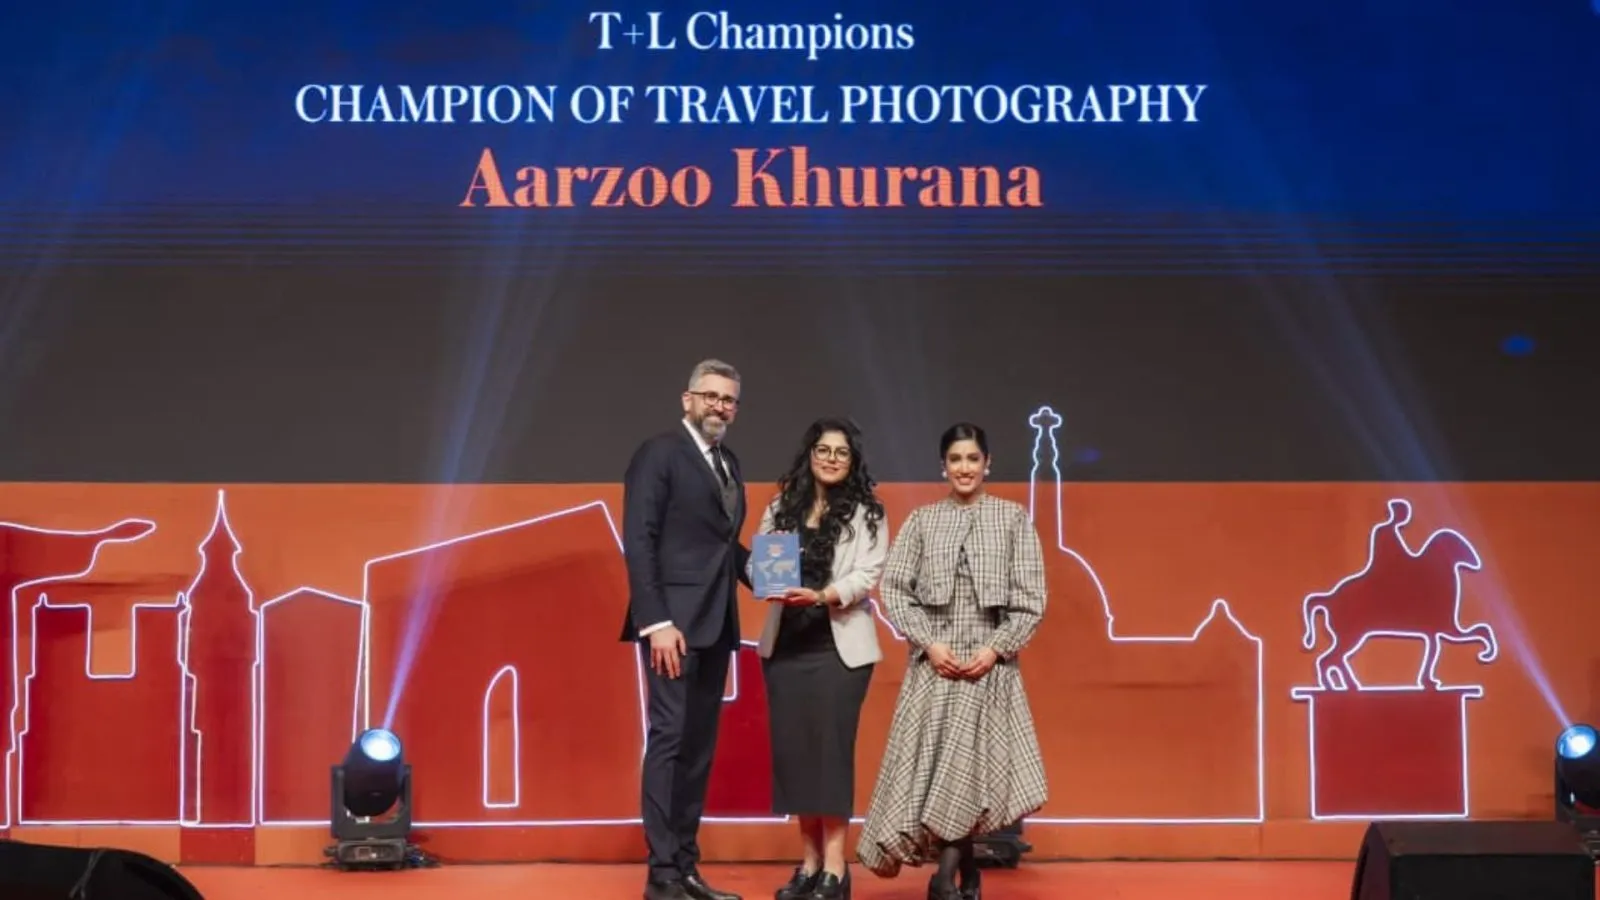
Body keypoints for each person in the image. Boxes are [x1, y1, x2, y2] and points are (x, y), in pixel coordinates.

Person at [855, 422, 1049, 900]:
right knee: (941, 770)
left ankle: (944, 879)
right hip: (935, 664)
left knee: (965, 769)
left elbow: (1031, 599)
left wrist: (995, 649)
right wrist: (930, 644)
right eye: (956, 459)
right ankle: (967, 871)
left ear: (988, 464)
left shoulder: (1012, 519)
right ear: (943, 466)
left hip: (989, 665)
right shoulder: (922, 521)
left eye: (973, 459)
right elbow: (895, 589)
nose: (965, 468)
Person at [619, 359, 750, 900]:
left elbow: (723, 548)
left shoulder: (728, 462)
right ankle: (663, 875)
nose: (720, 406)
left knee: (697, 748)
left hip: (716, 625)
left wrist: (780, 578)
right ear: (688, 399)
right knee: (670, 741)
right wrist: (657, 622)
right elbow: (639, 539)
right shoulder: (659, 453)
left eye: (729, 399)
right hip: (671, 627)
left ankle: (686, 868)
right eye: (711, 395)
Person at [752, 418, 890, 900]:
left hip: (839, 648)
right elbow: (757, 565)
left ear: (853, 461)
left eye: (841, 452)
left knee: (829, 755)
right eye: (823, 450)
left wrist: (821, 595)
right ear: (809, 454)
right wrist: (765, 575)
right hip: (785, 646)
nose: (831, 459)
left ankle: (835, 868)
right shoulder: (780, 507)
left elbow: (867, 574)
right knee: (796, 757)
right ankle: (808, 863)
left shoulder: (868, 512)